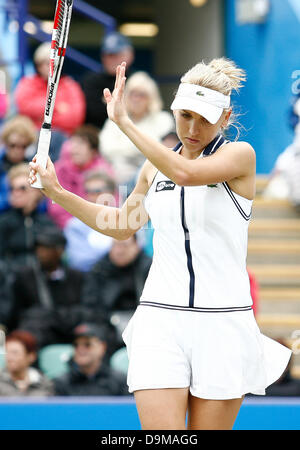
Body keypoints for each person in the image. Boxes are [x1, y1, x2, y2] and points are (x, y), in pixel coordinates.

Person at [29, 58, 292, 430]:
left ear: (226, 116)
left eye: (204, 117)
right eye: (185, 115)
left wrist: (123, 123)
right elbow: (122, 225)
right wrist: (56, 191)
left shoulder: (239, 155)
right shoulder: (153, 168)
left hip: (223, 323)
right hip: (160, 319)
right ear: (173, 110)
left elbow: (186, 173)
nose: (193, 127)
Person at [10, 226, 86, 348]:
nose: (41, 253)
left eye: (46, 248)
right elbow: (16, 312)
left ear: (60, 250)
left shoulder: (76, 277)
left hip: (70, 329)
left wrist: (56, 316)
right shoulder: (25, 276)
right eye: (39, 248)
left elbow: (86, 309)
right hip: (39, 332)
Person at [100, 71, 175, 184]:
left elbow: (162, 150)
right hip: (118, 173)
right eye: (132, 94)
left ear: (151, 98)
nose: (136, 99)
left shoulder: (163, 119)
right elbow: (106, 148)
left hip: (153, 172)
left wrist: (125, 148)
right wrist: (140, 148)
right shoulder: (115, 119)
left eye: (142, 95)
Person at [81, 235, 152, 344]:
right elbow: (90, 305)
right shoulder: (99, 269)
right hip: (107, 326)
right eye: (115, 245)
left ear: (137, 246)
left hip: (142, 324)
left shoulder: (150, 268)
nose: (119, 251)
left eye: (124, 246)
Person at [47, 125, 114, 228]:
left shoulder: (104, 172)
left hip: (99, 226)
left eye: (81, 144)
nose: (75, 148)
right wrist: (72, 225)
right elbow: (55, 205)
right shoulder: (59, 170)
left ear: (93, 151)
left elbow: (111, 204)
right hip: (66, 227)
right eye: (73, 143)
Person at [15, 42, 86, 137]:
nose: (50, 67)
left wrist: (41, 117)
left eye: (53, 63)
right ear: (37, 66)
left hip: (62, 137)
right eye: (44, 63)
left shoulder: (70, 85)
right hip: (32, 135)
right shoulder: (28, 83)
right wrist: (56, 106)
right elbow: (24, 108)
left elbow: (75, 118)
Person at [0, 163, 54, 271]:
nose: (16, 193)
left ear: (36, 191)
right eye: (12, 188)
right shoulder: (3, 223)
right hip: (11, 281)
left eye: (22, 188)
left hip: (41, 280)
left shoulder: (47, 223)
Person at [53, 322, 128, 396]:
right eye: (76, 345)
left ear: (102, 347)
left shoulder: (120, 381)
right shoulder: (61, 383)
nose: (80, 349)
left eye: (87, 345)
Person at [64, 169, 116, 272]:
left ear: (111, 192)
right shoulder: (75, 225)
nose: (92, 197)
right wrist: (114, 257)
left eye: (97, 191)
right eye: (88, 192)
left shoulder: (127, 219)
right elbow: (78, 261)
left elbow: (138, 252)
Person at [81, 31, 135, 129]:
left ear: (129, 55)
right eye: (108, 55)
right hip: (97, 134)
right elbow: (93, 113)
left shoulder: (137, 79)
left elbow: (141, 111)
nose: (112, 59)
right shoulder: (91, 81)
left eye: (117, 55)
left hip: (131, 132)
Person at [0, 115, 37, 213]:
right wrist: (11, 199)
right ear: (6, 143)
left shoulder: (33, 167)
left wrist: (34, 199)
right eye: (13, 145)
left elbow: (42, 205)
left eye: (23, 146)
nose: (17, 150)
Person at [0, 330, 53, 396]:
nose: (9, 358)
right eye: (7, 352)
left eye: (15, 353)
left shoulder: (44, 383)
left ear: (31, 356)